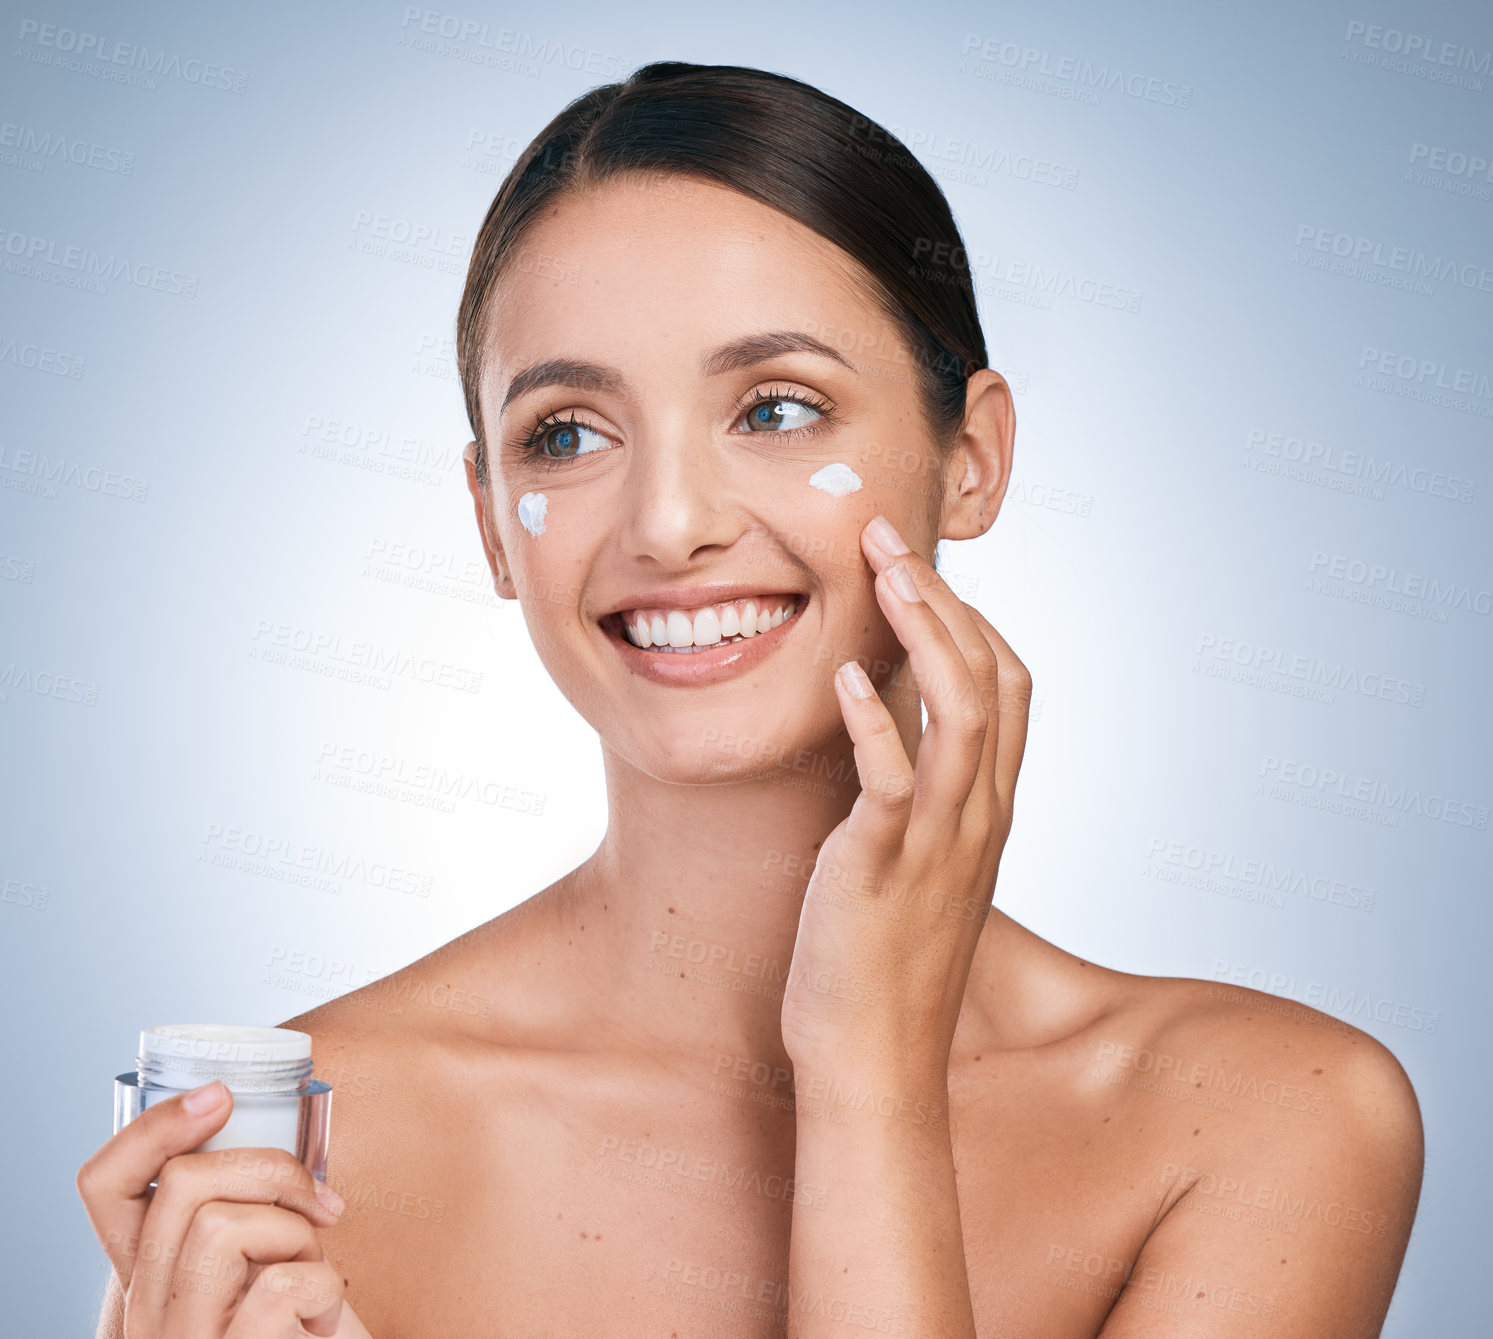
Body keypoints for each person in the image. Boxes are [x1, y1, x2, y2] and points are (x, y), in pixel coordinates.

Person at [78, 61, 1423, 1337]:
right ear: (492, 521)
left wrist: (866, 1083)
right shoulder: (300, 1146)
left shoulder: (1264, 1122)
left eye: (776, 410)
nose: (668, 525)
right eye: (567, 434)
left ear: (971, 456)